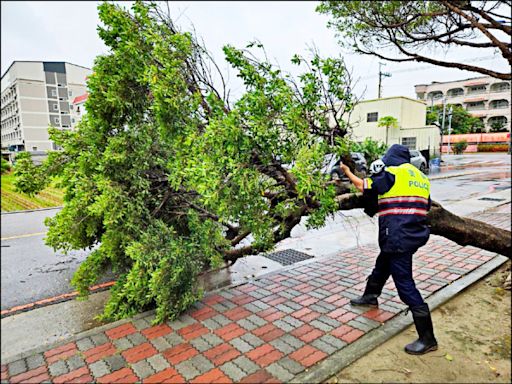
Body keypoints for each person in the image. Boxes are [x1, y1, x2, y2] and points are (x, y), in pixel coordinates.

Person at [339, 144, 437, 355]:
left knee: (405, 286)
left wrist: (347, 172)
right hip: (412, 234)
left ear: (391, 158)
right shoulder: (421, 178)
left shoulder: (392, 172)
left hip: (397, 236)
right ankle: (370, 295)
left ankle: (427, 338)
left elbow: (364, 186)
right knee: (382, 266)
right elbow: (425, 206)